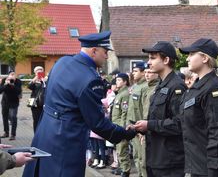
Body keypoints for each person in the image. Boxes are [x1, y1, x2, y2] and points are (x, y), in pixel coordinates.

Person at [22, 31, 136, 177]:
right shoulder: (90, 79)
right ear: (94, 51)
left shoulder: (63, 62)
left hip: (45, 132)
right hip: (66, 140)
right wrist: (125, 133)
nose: (107, 56)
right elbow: (98, 123)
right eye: (105, 51)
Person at [178, 38, 218, 177]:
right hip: (198, 164)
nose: (188, 58)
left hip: (210, 168)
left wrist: (214, 168)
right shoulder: (198, 86)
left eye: (192, 54)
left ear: (204, 58)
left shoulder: (212, 88)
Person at [134, 41, 187, 177]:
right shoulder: (161, 85)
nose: (148, 62)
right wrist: (143, 127)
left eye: (153, 58)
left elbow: (179, 123)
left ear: (166, 60)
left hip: (170, 162)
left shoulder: (177, 86)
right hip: (156, 158)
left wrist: (149, 125)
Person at [126, 61, 148, 177]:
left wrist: (141, 130)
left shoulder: (145, 87)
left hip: (140, 128)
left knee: (142, 159)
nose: (133, 73)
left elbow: (144, 109)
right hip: (133, 127)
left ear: (143, 72)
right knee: (136, 156)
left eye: (136, 71)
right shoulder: (135, 87)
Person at [139, 66, 159, 177]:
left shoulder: (157, 88)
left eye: (150, 72)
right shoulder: (146, 89)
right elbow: (143, 110)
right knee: (143, 161)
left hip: (153, 129)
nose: (147, 74)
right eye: (145, 72)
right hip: (145, 129)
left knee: (149, 162)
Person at [111, 73, 131, 177]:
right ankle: (122, 167)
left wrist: (122, 128)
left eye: (119, 80)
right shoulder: (119, 93)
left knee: (123, 148)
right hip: (115, 125)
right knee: (119, 149)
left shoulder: (125, 94)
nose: (116, 81)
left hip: (120, 126)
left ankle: (126, 170)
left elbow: (125, 112)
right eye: (117, 80)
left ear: (125, 81)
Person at [0, 70, 22, 140]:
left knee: (13, 117)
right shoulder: (4, 80)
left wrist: (12, 85)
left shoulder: (18, 81)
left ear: (15, 76)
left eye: (14, 75)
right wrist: (5, 84)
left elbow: (18, 91)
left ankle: (13, 134)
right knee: (5, 117)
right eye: (11, 75)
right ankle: (6, 132)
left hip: (14, 102)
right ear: (8, 76)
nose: (12, 76)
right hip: (5, 102)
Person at [27, 66, 46, 132]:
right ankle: (36, 135)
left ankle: (42, 135)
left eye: (41, 71)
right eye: (37, 71)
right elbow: (29, 87)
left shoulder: (45, 81)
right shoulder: (33, 81)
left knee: (43, 120)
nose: (39, 72)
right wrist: (35, 79)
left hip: (43, 103)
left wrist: (43, 81)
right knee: (35, 120)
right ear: (35, 73)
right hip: (33, 102)